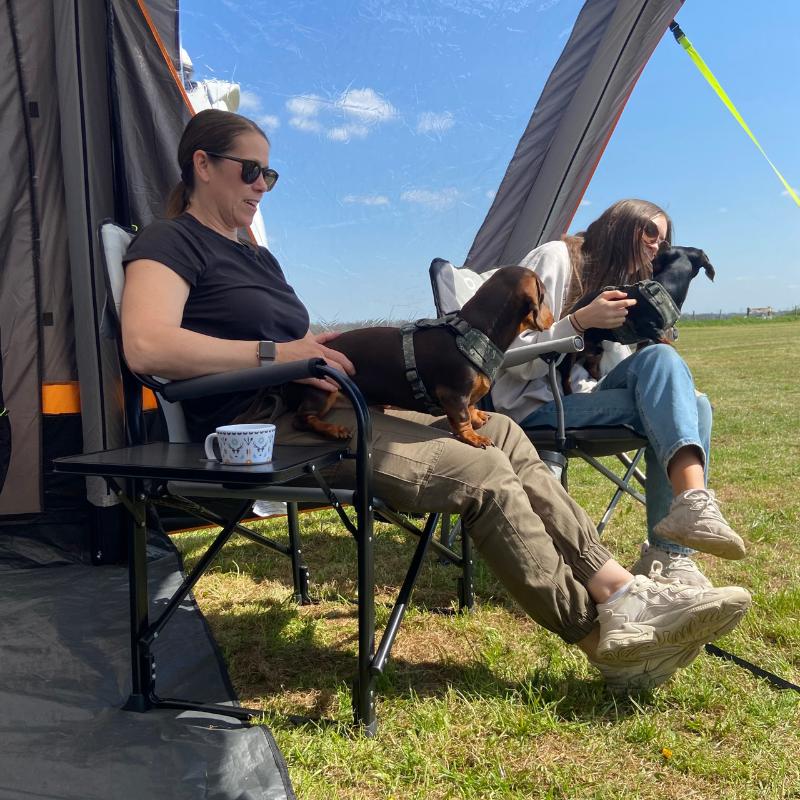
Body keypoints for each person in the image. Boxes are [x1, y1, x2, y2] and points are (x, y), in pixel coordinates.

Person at [120, 110, 751, 692]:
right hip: (268, 431)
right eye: (250, 170)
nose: (262, 185)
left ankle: (619, 591)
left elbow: (285, 339)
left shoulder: (254, 255)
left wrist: (316, 344)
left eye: (271, 174)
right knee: (479, 471)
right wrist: (276, 355)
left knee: (502, 433)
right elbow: (148, 347)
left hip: (328, 403)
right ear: (201, 164)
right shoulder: (169, 243)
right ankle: (601, 638)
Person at [491, 199, 745, 588]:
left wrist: (645, 331)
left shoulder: (624, 287)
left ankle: (672, 551)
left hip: (584, 400)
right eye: (649, 232)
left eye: (664, 238)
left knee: (693, 399)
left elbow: (623, 370)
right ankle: (677, 539)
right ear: (619, 226)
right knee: (687, 404)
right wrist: (577, 322)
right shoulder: (557, 259)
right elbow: (502, 355)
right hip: (532, 408)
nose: (657, 245)